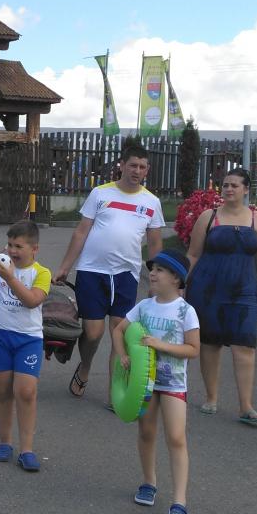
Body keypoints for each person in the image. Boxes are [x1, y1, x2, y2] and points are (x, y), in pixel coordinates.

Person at [55, 144, 165, 401]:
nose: (137, 170)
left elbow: (155, 243)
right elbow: (81, 231)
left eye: (142, 167)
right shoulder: (100, 193)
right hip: (92, 271)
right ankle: (85, 367)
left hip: (126, 275)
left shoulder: (151, 202)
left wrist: (157, 280)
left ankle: (115, 392)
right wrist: (64, 267)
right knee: (93, 333)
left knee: (120, 332)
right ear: (122, 165)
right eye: (132, 165)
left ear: (147, 170)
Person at [111, 248, 200, 514]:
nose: (152, 273)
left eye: (160, 270)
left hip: (173, 383)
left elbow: (193, 349)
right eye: (152, 269)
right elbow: (118, 330)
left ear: (176, 278)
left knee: (176, 438)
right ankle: (149, 482)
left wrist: (161, 345)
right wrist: (122, 355)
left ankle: (180, 502)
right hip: (145, 383)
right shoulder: (144, 306)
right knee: (146, 432)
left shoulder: (186, 311)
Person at [184, 168, 257, 424]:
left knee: (245, 344)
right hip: (208, 289)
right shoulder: (209, 217)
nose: (229, 189)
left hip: (245, 290)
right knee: (210, 343)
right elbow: (193, 254)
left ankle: (246, 406)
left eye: (234, 185)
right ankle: (211, 398)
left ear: (246, 189)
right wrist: (180, 284)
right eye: (225, 185)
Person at [0, 220, 51, 472]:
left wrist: (10, 277)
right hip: (0, 335)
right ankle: (5, 442)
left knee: (26, 392)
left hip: (28, 339)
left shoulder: (41, 273)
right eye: (9, 245)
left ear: (34, 249)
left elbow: (31, 301)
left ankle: (27, 449)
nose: (12, 251)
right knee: (3, 390)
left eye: (18, 246)